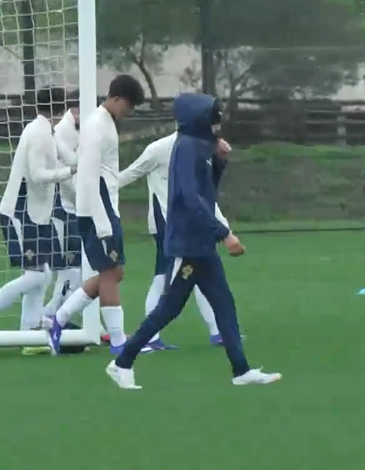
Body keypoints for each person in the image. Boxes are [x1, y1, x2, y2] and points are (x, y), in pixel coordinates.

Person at [107, 93, 281, 389]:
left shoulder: (197, 147)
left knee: (218, 304)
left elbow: (207, 191)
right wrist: (224, 233)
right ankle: (122, 361)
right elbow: (190, 198)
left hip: (199, 242)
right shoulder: (187, 148)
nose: (218, 125)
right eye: (214, 118)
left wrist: (220, 163)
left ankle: (241, 370)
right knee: (172, 308)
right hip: (191, 242)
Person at [0, 88, 75, 352]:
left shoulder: (47, 131)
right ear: (63, 109)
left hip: (38, 214)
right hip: (20, 211)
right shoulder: (37, 133)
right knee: (38, 275)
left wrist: (89, 162)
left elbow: (69, 156)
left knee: (42, 274)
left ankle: (29, 334)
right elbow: (38, 175)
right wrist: (69, 171)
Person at [48, 75, 145, 356]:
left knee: (112, 273)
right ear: (115, 99)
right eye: (128, 107)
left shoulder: (103, 125)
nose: (130, 113)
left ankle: (58, 320)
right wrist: (104, 226)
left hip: (102, 210)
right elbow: (89, 179)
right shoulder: (96, 127)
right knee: (111, 275)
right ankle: (118, 342)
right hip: (97, 212)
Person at [117, 132, 228, 350]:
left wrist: (221, 225)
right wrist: (95, 193)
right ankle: (150, 336)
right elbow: (129, 173)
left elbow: (204, 194)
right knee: (166, 276)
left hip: (192, 222)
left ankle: (217, 331)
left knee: (199, 271)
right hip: (166, 223)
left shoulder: (201, 148)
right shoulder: (158, 149)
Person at [42, 89, 83, 323]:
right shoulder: (63, 132)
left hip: (71, 207)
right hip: (64, 208)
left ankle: (58, 317)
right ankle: (52, 317)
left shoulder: (72, 129)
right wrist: (84, 198)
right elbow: (66, 172)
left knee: (80, 269)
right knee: (71, 268)